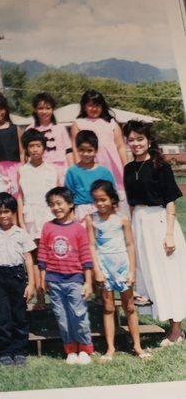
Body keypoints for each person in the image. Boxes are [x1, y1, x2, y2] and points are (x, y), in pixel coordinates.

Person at [122, 120, 186, 346]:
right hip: (139, 224)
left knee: (168, 275)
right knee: (152, 276)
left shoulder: (161, 165)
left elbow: (170, 202)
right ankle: (169, 323)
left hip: (159, 223)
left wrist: (169, 234)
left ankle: (176, 331)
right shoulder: (129, 169)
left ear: (148, 140)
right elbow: (131, 205)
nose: (136, 143)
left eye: (140, 139)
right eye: (131, 139)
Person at [85, 180, 150, 362]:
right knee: (108, 307)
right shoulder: (91, 219)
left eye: (104, 199)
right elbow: (91, 245)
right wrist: (96, 269)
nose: (100, 204)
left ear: (112, 199)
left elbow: (130, 245)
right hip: (104, 267)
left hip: (122, 266)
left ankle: (137, 346)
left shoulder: (122, 218)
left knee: (129, 307)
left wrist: (131, 271)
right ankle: (110, 348)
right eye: (96, 200)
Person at [38, 187, 93, 365]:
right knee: (62, 317)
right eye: (52, 204)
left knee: (79, 315)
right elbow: (42, 255)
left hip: (75, 280)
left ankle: (84, 348)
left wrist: (88, 282)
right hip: (54, 280)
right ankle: (70, 349)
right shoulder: (48, 227)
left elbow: (85, 256)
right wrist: (43, 278)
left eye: (59, 203)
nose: (56, 207)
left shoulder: (78, 229)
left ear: (70, 204)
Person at [0, 192, 35, 367]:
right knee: (2, 316)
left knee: (19, 316)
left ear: (13, 212)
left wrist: (31, 283)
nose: (3, 215)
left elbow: (28, 258)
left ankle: (20, 351)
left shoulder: (20, 233)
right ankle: (5, 352)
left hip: (17, 276)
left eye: (7, 211)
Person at [71, 90, 128, 214]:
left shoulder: (111, 123)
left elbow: (120, 146)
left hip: (113, 166)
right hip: (89, 166)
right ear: (84, 106)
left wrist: (126, 167)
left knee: (115, 197)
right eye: (90, 105)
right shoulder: (78, 123)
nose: (94, 108)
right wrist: (79, 169)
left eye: (97, 105)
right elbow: (75, 149)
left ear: (102, 106)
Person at [17, 129, 57, 307]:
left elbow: (58, 195)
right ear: (26, 149)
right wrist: (21, 221)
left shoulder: (52, 169)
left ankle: (51, 294)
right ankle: (40, 299)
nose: (34, 149)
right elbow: (20, 198)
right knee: (33, 256)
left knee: (47, 256)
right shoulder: (22, 170)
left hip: (48, 216)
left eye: (38, 145)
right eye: (31, 146)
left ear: (44, 147)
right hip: (30, 217)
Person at [65, 130, 116, 223]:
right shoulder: (72, 171)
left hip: (102, 208)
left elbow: (112, 195)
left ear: (96, 150)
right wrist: (70, 215)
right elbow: (68, 196)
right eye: (82, 150)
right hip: (81, 211)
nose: (86, 154)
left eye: (89, 150)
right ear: (77, 149)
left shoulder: (104, 172)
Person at [27, 92, 73, 185]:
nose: (44, 111)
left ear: (52, 109)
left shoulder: (61, 128)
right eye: (40, 108)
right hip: (40, 170)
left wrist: (72, 171)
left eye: (48, 108)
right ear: (35, 109)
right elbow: (27, 154)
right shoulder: (30, 129)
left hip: (61, 171)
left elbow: (68, 151)